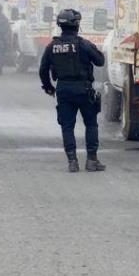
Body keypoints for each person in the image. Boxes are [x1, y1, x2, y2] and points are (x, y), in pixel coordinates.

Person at [39, 9, 106, 173]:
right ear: (76, 24)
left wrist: (48, 87)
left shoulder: (52, 46)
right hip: (84, 89)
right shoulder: (83, 44)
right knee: (91, 124)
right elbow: (100, 61)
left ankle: (72, 161)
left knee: (67, 126)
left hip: (63, 89)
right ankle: (92, 160)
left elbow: (43, 69)